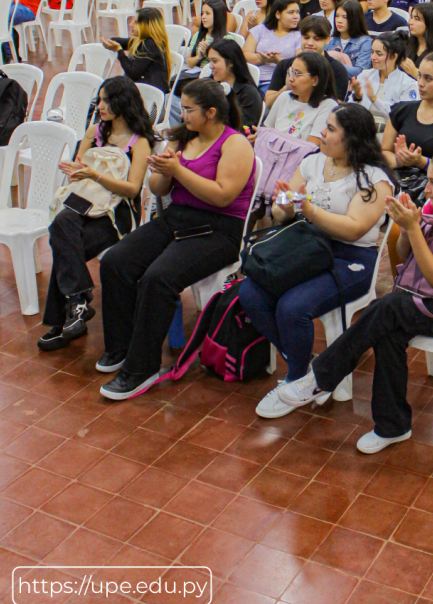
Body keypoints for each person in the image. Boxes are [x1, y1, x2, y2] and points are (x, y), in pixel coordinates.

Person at [274, 150, 433, 453]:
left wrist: (415, 229)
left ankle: (321, 377)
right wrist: (406, 229)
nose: (426, 189)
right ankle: (392, 426)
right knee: (389, 327)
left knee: (388, 308)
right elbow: (407, 254)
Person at [97, 79, 256, 399]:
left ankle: (141, 369)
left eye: (188, 109)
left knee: (158, 278)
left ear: (211, 113)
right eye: (181, 107)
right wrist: (163, 171)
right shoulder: (182, 138)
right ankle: (122, 347)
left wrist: (179, 171)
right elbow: (158, 189)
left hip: (219, 229)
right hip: (178, 218)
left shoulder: (235, 144)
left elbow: (223, 197)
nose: (181, 114)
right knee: (116, 260)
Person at [244, 103, 395, 419]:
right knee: (251, 293)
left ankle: (298, 378)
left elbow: (355, 229)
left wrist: (308, 209)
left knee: (293, 307)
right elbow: (283, 212)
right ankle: (310, 369)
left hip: (351, 259)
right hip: (309, 248)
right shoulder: (314, 162)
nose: (321, 134)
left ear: (351, 138)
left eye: (329, 129)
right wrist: (285, 203)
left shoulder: (373, 179)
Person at [38, 77, 155, 352]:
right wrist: (78, 171)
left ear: (122, 103)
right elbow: (80, 177)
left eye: (106, 100)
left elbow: (132, 189)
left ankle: (66, 316)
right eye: (99, 100)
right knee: (63, 224)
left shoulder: (140, 143)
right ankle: (77, 303)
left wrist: (95, 174)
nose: (100, 106)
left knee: (65, 244)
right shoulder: (95, 132)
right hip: (84, 202)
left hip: (116, 213)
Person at [266, 15, 350, 107]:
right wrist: (286, 88)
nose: (310, 43)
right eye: (306, 38)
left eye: (316, 39)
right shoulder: (285, 65)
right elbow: (269, 103)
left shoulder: (337, 70)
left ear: (327, 39)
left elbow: (335, 108)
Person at [263, 51, 338, 145]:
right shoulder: (284, 97)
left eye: (297, 74)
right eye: (290, 72)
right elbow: (266, 131)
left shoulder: (328, 105)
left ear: (315, 80)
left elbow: (310, 148)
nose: (291, 79)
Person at [101, 6, 172, 95]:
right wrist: (111, 42)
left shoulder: (150, 45)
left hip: (151, 94)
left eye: (135, 22)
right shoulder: (148, 41)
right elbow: (120, 41)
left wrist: (119, 51)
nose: (130, 24)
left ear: (146, 25)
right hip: (146, 88)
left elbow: (132, 73)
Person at [351, 31, 419, 119]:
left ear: (394, 57)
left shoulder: (408, 84)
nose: (373, 57)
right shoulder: (365, 75)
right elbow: (351, 111)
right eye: (372, 52)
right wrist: (357, 96)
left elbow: (402, 117)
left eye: (379, 54)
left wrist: (374, 99)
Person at [244, 0, 302, 91]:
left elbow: (299, 64)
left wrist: (276, 60)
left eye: (297, 12)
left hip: (279, 82)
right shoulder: (261, 29)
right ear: (278, 14)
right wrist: (263, 59)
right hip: (253, 79)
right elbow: (245, 54)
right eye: (291, 12)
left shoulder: (299, 36)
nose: (296, 16)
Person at [207, 37, 264, 131]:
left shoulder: (249, 93)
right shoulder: (209, 85)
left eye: (215, 61)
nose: (210, 66)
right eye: (209, 61)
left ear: (231, 62)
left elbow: (243, 129)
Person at [186, 0, 241, 72]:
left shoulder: (226, 39)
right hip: (197, 72)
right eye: (202, 13)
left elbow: (227, 66)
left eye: (207, 13)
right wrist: (198, 57)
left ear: (218, 16)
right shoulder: (198, 35)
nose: (203, 17)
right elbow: (189, 63)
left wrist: (208, 54)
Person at [326, 0, 372, 77]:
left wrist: (333, 66)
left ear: (355, 19)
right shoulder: (330, 40)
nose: (339, 21)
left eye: (345, 17)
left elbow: (361, 72)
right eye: (337, 16)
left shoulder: (365, 42)